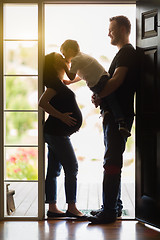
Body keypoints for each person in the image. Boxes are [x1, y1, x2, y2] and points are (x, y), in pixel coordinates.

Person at [87, 16, 138, 224]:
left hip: (120, 118)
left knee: (111, 162)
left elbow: (116, 81)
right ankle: (114, 206)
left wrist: (100, 95)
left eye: (112, 29)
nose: (108, 33)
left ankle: (108, 211)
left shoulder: (127, 53)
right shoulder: (121, 54)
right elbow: (111, 86)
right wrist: (100, 96)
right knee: (112, 161)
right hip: (114, 117)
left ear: (124, 29)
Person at [38, 52, 85, 219]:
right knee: (72, 168)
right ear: (53, 64)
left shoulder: (59, 82)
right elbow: (42, 103)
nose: (63, 58)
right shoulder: (53, 84)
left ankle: (52, 207)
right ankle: (71, 207)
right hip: (57, 133)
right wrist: (62, 116)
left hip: (56, 133)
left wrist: (82, 71)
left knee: (53, 170)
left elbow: (74, 78)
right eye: (60, 57)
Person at [60, 39, 131, 138]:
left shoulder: (75, 60)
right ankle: (118, 120)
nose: (64, 57)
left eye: (64, 54)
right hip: (105, 77)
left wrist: (64, 65)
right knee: (111, 99)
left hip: (96, 84)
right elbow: (82, 75)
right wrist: (69, 82)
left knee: (106, 97)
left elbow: (71, 75)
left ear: (70, 50)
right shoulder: (83, 56)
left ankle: (118, 120)